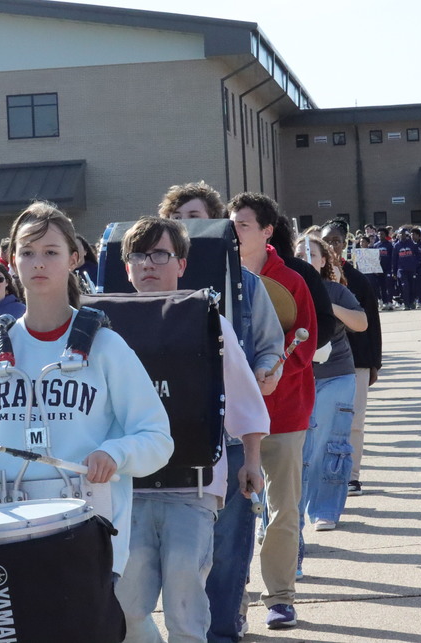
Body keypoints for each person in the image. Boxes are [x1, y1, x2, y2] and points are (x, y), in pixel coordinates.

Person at [0, 200, 174, 581]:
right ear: (11, 261)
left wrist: (115, 453)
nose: (38, 263)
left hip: (89, 530)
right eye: (27, 253)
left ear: (74, 258)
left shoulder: (106, 348)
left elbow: (157, 439)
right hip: (8, 531)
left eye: (51, 252)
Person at [115, 216, 268, 643]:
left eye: (160, 254)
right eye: (138, 255)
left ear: (181, 264)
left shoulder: (208, 322)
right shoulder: (102, 328)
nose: (149, 264)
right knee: (126, 605)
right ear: (126, 266)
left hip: (194, 484)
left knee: (185, 595)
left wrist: (251, 460)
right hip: (127, 487)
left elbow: (243, 398)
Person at [226, 192, 317, 631]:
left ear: (266, 231)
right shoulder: (217, 277)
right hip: (234, 418)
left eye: (243, 223)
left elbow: (307, 341)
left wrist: (275, 372)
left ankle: (280, 597)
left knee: (282, 510)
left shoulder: (293, 279)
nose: (234, 230)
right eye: (231, 223)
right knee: (233, 515)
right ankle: (233, 603)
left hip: (284, 413)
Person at [293, 236, 365, 547]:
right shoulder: (286, 289)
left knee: (328, 444)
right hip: (297, 377)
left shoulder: (336, 290)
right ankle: (290, 513)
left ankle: (324, 510)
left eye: (312, 254)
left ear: (324, 261)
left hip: (336, 374)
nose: (306, 257)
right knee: (299, 447)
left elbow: (361, 323)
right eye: (299, 253)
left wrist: (329, 306)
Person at [319, 221, 382, 499]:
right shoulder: (310, 281)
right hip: (319, 364)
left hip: (356, 360)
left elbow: (373, 325)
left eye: (336, 241)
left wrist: (374, 364)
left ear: (345, 244)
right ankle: (325, 474)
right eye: (326, 241)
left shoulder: (358, 280)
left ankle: (352, 476)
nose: (332, 246)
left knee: (354, 420)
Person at [392, 229, 421, 309]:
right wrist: (394, 272)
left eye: (403, 234)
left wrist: (416, 264)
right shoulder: (396, 246)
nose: (401, 236)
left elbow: (418, 255)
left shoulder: (412, 244)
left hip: (411, 269)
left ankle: (412, 302)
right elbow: (394, 260)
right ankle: (406, 304)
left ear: (406, 235)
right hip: (401, 270)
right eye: (400, 234)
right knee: (404, 286)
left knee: (412, 286)